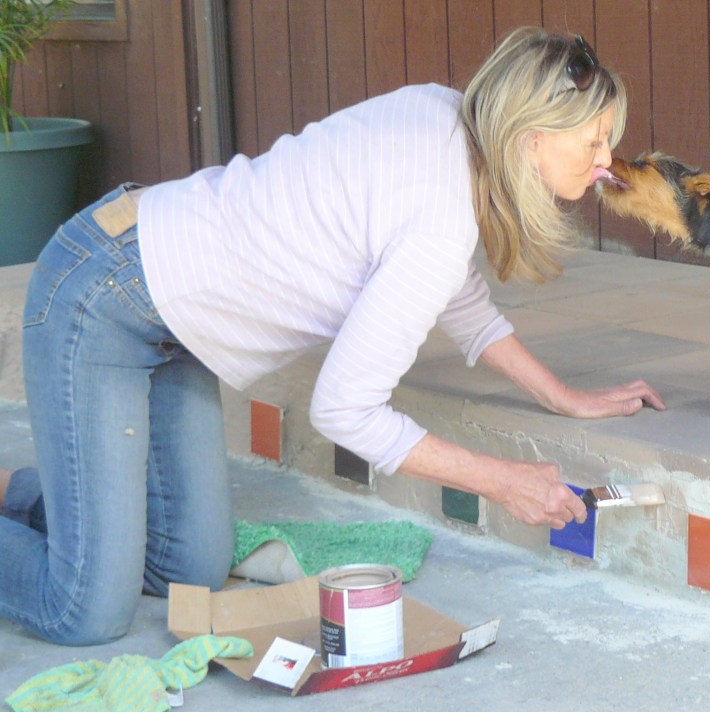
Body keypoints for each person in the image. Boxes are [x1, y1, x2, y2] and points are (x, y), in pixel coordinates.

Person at [0, 27, 664, 646]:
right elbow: (345, 410)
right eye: (594, 138)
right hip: (103, 295)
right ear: (531, 137)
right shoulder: (440, 219)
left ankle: (49, 495)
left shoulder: (449, 117)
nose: (607, 160)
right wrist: (503, 481)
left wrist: (560, 397)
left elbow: (457, 293)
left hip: (175, 320)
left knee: (189, 566)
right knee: (84, 608)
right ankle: (85, 516)